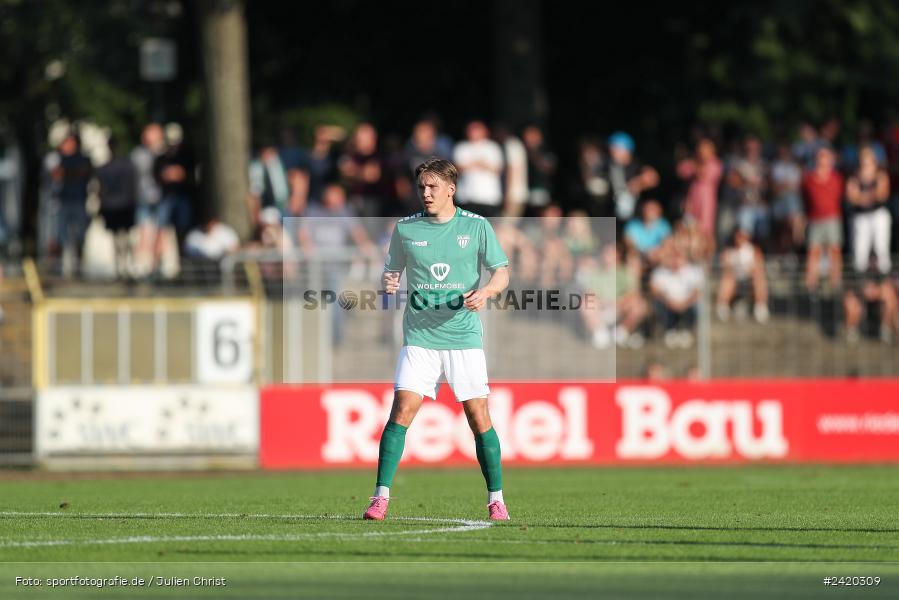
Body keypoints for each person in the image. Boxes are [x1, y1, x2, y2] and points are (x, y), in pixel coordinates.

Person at [363, 158, 511, 522]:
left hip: (462, 336)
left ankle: (496, 500)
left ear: (451, 189)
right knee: (401, 410)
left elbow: (502, 273)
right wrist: (389, 282)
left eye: (432, 187)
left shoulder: (476, 227)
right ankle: (380, 497)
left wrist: (487, 292)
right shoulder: (406, 229)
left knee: (479, 417)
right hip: (420, 336)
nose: (425, 194)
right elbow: (390, 272)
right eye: (421, 188)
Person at [802, 146, 844, 291]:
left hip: (832, 219)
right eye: (820, 156)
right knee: (813, 252)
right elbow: (805, 199)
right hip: (815, 219)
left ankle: (835, 285)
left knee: (834, 251)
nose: (823, 160)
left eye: (826, 156)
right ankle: (810, 287)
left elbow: (839, 198)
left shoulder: (836, 178)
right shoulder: (808, 179)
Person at [846, 146, 891, 276]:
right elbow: (852, 198)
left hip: (878, 215)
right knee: (860, 251)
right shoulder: (854, 177)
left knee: (882, 249)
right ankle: (860, 282)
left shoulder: (880, 175)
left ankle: (885, 280)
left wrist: (862, 196)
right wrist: (870, 195)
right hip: (860, 216)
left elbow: (882, 195)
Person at [95, 137, 137, 277]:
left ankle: (122, 266)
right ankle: (124, 266)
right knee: (124, 238)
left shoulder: (104, 168)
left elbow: (100, 190)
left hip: (114, 206)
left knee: (119, 239)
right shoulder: (128, 166)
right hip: (122, 205)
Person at [650, 243, 704, 349]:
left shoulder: (695, 271)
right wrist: (670, 302)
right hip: (668, 303)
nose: (676, 260)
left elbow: (697, 292)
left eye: (679, 256)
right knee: (658, 304)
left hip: (688, 304)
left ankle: (686, 330)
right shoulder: (660, 272)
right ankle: (670, 331)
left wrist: (684, 303)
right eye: (673, 257)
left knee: (697, 304)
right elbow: (655, 291)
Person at [53, 132, 92, 277]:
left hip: (79, 200)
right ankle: (63, 265)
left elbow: (83, 173)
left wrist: (66, 173)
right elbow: (55, 175)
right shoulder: (58, 158)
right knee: (62, 235)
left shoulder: (82, 159)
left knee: (80, 235)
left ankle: (79, 266)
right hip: (64, 201)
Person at [715, 229, 770, 324]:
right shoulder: (728, 251)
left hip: (749, 278)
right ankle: (722, 307)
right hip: (734, 278)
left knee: (759, 277)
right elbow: (725, 267)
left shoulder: (754, 250)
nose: (740, 239)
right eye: (738, 236)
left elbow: (758, 266)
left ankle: (760, 307)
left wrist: (747, 270)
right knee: (727, 278)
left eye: (743, 236)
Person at [453, 120, 504, 217]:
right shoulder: (461, 147)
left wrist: (475, 164)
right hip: (467, 197)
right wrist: (481, 164)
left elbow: (497, 169)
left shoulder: (493, 148)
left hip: (489, 198)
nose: (473, 133)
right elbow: (457, 168)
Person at [606, 131, 659, 223]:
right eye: (611, 148)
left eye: (616, 148)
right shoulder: (610, 165)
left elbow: (654, 178)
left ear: (626, 150)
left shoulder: (636, 165)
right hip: (613, 216)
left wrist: (638, 183)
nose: (612, 151)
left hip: (635, 216)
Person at [677, 137, 722, 245]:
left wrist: (695, 166)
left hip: (707, 200)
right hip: (692, 198)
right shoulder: (694, 162)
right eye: (700, 151)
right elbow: (680, 170)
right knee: (689, 226)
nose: (702, 154)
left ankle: (707, 256)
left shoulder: (715, 164)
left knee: (706, 228)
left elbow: (703, 176)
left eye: (705, 151)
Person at [770, 142, 805, 252]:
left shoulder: (795, 167)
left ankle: (797, 242)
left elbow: (798, 186)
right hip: (780, 203)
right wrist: (786, 186)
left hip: (792, 203)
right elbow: (775, 188)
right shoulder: (775, 167)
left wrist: (785, 186)